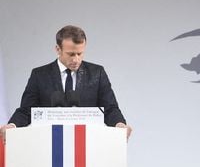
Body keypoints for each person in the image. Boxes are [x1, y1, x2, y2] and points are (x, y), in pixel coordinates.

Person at [0, 25, 132, 141]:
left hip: (87, 145)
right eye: (71, 54)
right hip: (49, 145)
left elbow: (110, 109)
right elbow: (26, 111)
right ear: (58, 49)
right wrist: (12, 126)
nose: (76, 59)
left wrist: (119, 124)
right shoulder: (39, 75)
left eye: (80, 53)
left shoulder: (98, 73)